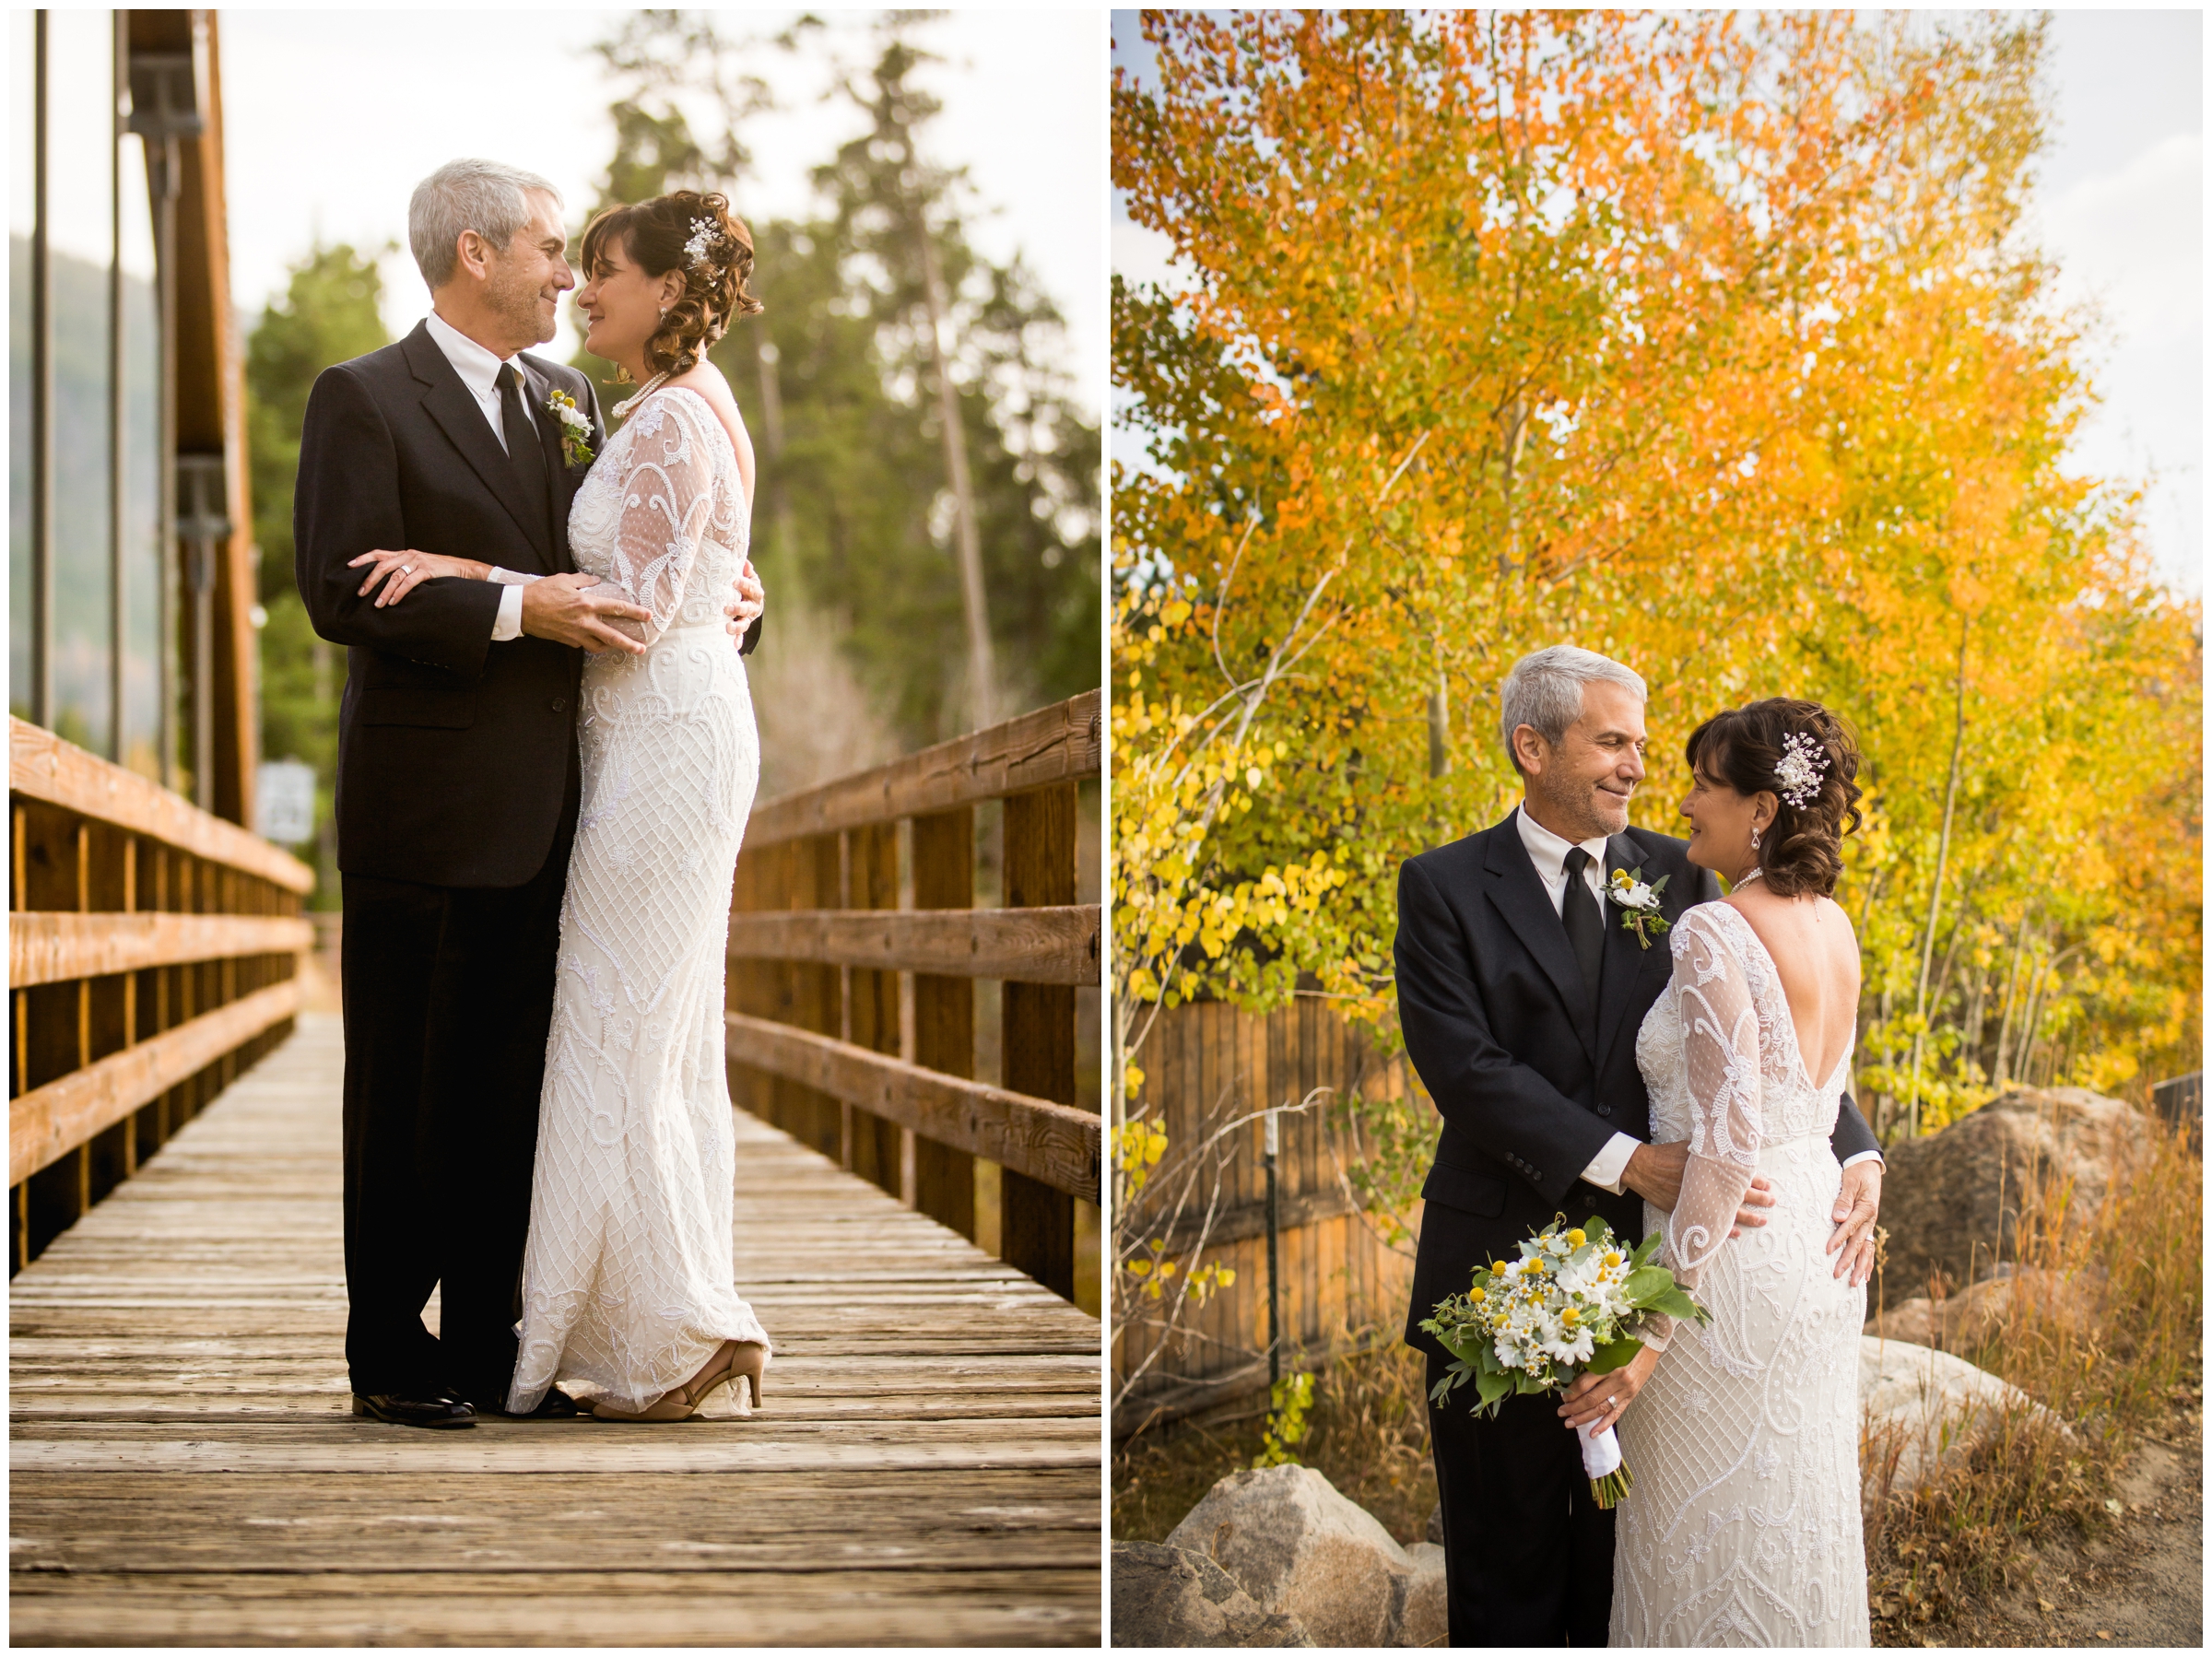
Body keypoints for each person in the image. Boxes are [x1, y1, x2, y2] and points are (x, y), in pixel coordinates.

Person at [295, 159, 762, 1430]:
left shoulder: (569, 401)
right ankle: (393, 1349)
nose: (567, 274)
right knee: (399, 1088)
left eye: (579, 257)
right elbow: (340, 587)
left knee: (514, 1089)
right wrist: (507, 602)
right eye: (552, 249)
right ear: (473, 255)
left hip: (565, 803)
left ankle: (501, 1349)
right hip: (424, 803)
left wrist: (731, 606)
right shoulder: (363, 399)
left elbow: (632, 559)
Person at [1392, 646, 1884, 1643]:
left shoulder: (1683, 870)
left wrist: (1856, 1148)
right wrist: (1629, 1158)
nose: (1635, 767)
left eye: (1645, 747)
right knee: (1504, 1560)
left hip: (1664, 1270)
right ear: (1532, 748)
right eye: (1612, 742)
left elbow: (1768, 1036)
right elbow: (1466, 1067)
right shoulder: (1441, 887)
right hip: (1498, 1263)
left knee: (1627, 1569)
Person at [1602, 699, 1871, 1645]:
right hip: (1817, 1249)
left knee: (1696, 1535)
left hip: (1728, 1267)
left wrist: (1643, 1342)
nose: (1681, 801)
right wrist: (1865, 1155)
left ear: (1761, 808)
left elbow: (1723, 1147)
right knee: (1794, 1509)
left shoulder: (1713, 930)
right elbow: (1819, 1093)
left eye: (1704, 786)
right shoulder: (1834, 925)